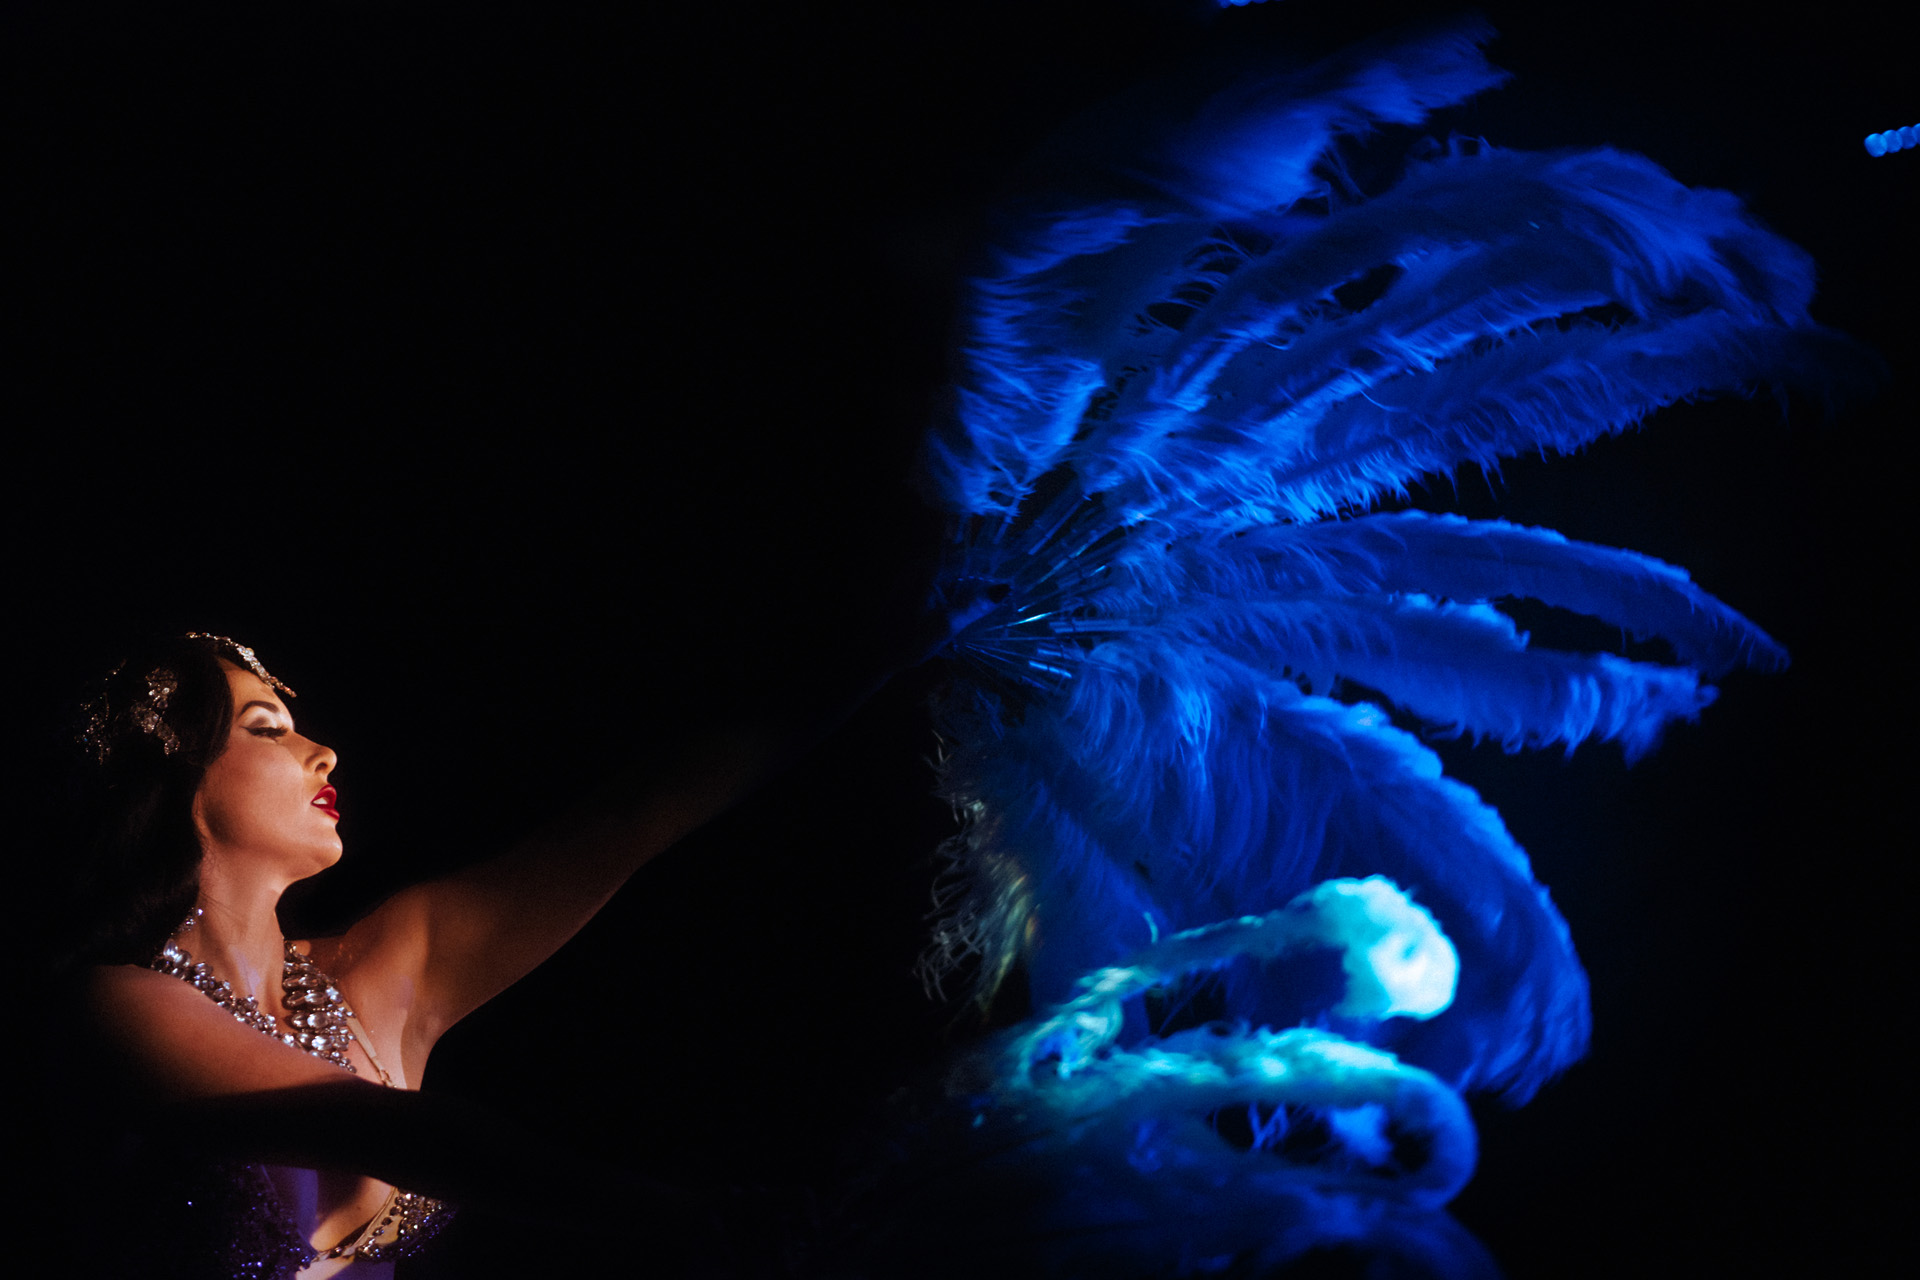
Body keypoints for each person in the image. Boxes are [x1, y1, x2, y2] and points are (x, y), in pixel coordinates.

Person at [42, 627, 932, 1278]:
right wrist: (686, 1218)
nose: (323, 753)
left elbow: (634, 819)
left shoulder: (376, 976)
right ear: (177, 776)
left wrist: (888, 645)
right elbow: (383, 1128)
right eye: (268, 728)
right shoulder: (112, 1005)